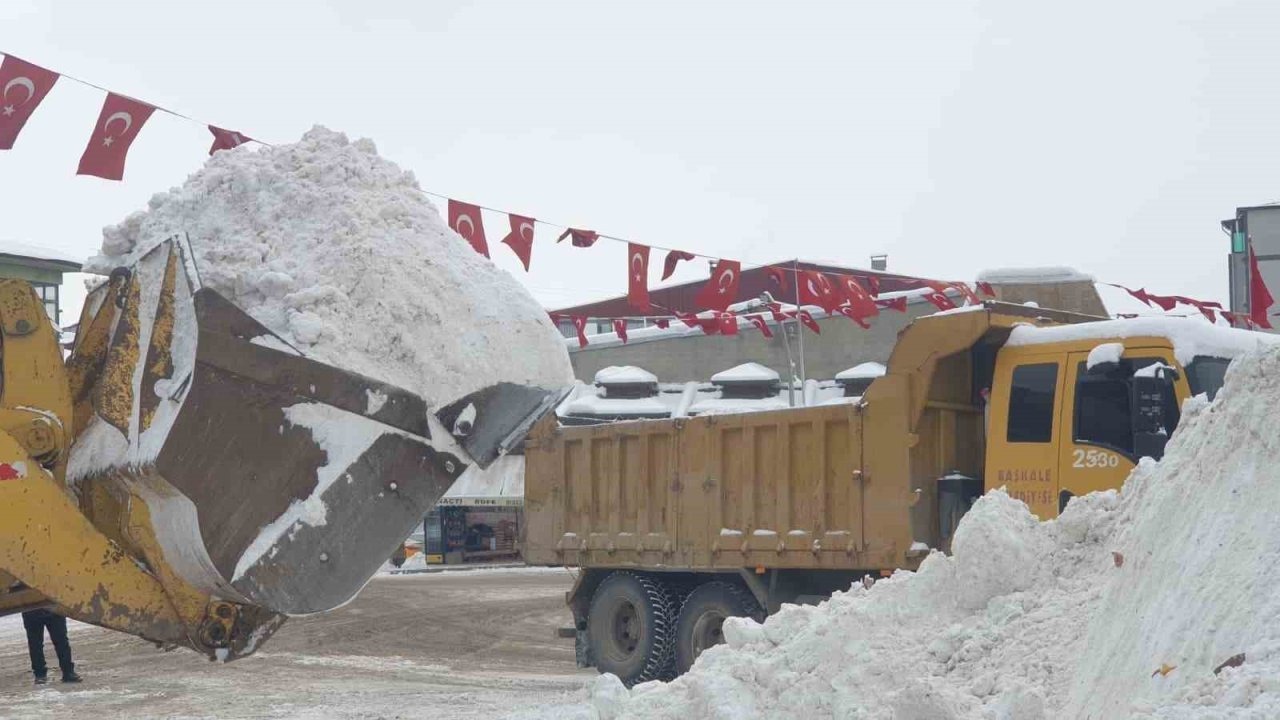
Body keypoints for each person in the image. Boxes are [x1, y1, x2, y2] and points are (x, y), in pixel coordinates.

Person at [21, 608, 80, 685]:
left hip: (49, 609)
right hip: (36, 609)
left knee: (60, 641)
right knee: (37, 644)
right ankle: (41, 674)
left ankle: (67, 672)